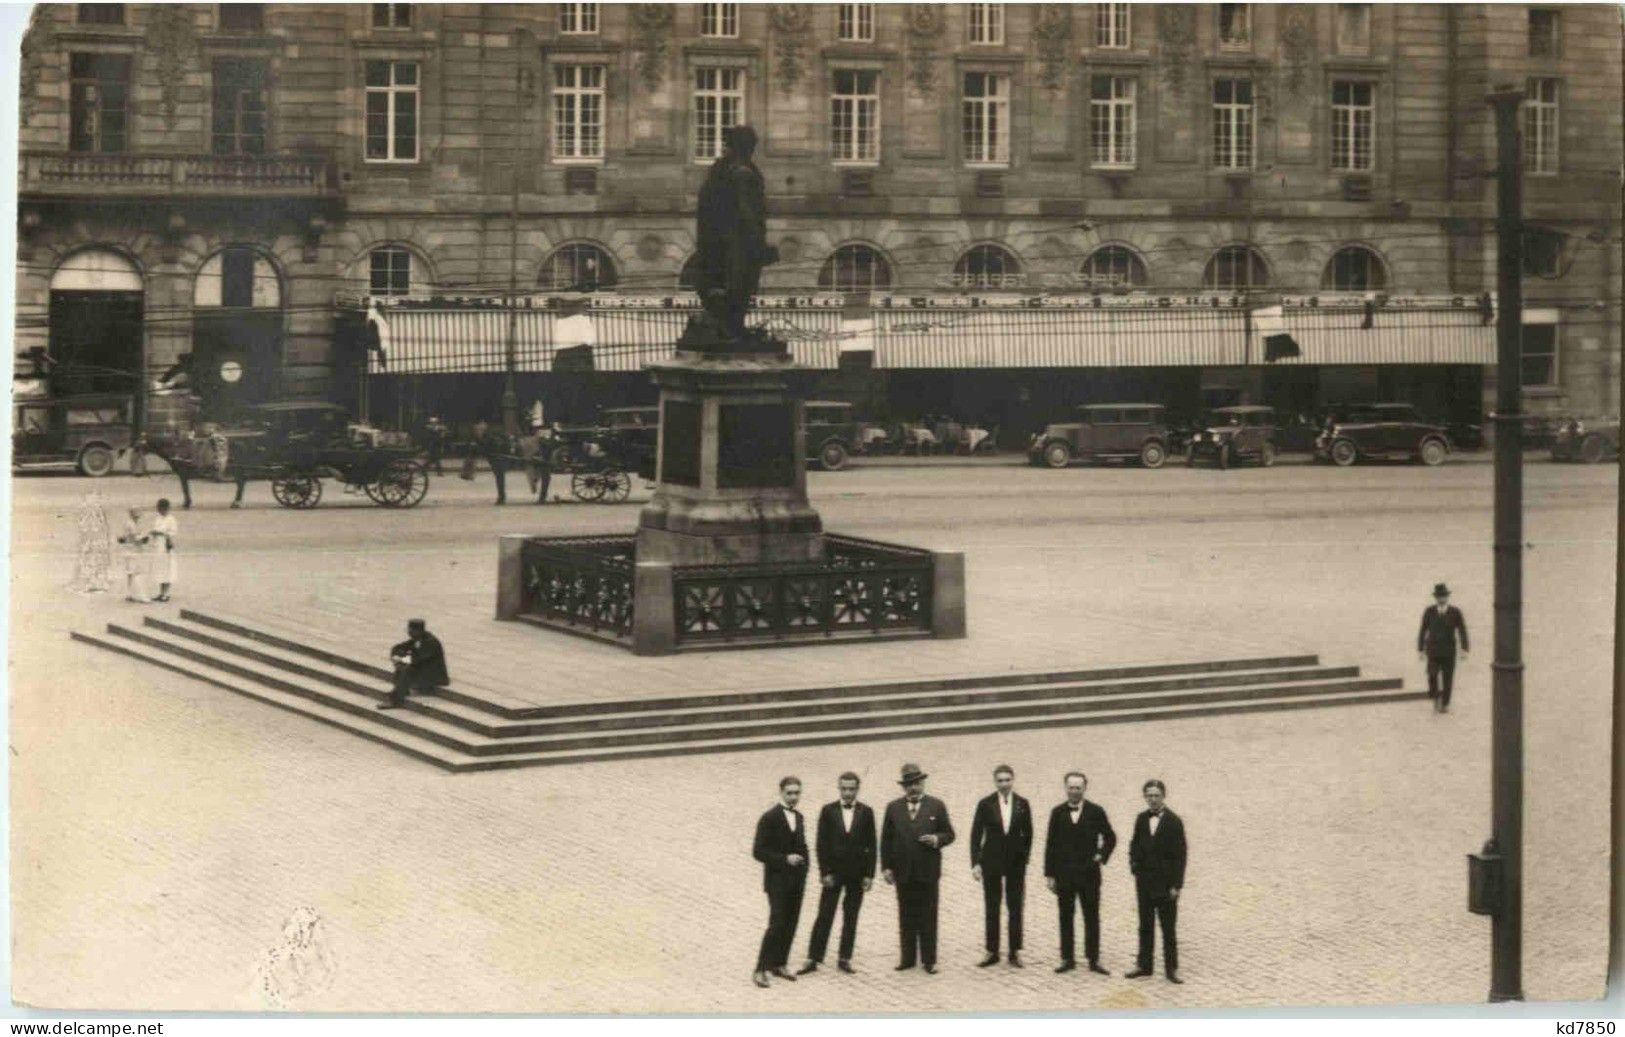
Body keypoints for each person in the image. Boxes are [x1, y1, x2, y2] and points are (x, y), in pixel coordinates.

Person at [797, 771, 876, 976]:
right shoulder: (828, 811)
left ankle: (845, 957)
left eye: (852, 789)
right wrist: (825, 873)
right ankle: (814, 957)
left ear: (857, 789)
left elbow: (872, 844)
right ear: (839, 788)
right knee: (824, 915)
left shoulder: (866, 812)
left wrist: (869, 874)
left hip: (857, 874)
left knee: (851, 916)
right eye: (844, 789)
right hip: (834, 873)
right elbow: (821, 844)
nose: (848, 793)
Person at [880, 763, 955, 973]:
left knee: (928, 915)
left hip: (928, 870)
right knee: (906, 914)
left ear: (923, 783)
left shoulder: (936, 806)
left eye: (917, 783)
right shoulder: (893, 808)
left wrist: (937, 838)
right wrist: (886, 867)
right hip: (903, 872)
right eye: (909, 785)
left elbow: (949, 834)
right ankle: (908, 958)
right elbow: (885, 840)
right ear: (903, 787)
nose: (913, 788)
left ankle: (929, 960)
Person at [1044, 771, 1116, 975]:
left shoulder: (1096, 811)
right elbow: (1051, 844)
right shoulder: (1057, 812)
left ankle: (1093, 959)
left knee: (1091, 916)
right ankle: (1067, 958)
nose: (1074, 791)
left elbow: (1110, 837)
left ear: (1085, 788)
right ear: (1065, 788)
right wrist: (1050, 874)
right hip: (1064, 875)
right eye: (1070, 787)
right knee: (1065, 916)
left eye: (1078, 787)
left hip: (1089, 875)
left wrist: (1101, 855)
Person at [969, 764, 1033, 968]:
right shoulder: (985, 804)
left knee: (1015, 906)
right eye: (1000, 780)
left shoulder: (1023, 803)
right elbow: (976, 834)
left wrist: (1024, 856)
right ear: (995, 782)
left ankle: (1014, 951)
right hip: (992, 861)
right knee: (992, 905)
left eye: (1007, 780)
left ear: (1013, 780)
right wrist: (976, 862)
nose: (1004, 784)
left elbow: (1029, 833)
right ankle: (992, 951)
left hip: (1015, 863)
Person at [1126, 780, 1187, 984]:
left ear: (1163, 796)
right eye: (1149, 795)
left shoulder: (1174, 821)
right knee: (1145, 925)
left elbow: (1180, 856)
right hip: (1144, 882)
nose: (1152, 799)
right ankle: (1144, 965)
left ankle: (1171, 969)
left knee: (1168, 927)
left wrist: (1176, 885)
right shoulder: (1141, 819)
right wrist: (1134, 866)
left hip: (1165, 884)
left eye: (1156, 795)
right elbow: (1134, 844)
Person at [752, 776, 810, 988]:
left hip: (797, 881)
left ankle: (779, 963)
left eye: (797, 792)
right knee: (777, 924)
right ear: (781, 792)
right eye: (790, 793)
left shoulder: (800, 817)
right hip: (777, 881)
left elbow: (803, 846)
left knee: (791, 922)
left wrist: (805, 871)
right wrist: (785, 859)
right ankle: (760, 968)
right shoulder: (769, 818)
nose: (794, 797)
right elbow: (758, 851)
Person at [1417, 582, 1469, 713]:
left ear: (1447, 597)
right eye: (1439, 596)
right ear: (1435, 598)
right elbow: (1423, 630)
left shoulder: (1455, 612)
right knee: (1431, 675)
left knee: (1448, 678)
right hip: (1433, 651)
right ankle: (1435, 697)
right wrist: (1421, 649)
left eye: (1444, 596)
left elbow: (1462, 630)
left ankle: (1445, 704)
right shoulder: (1429, 611)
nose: (1441, 599)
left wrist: (1464, 648)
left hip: (1448, 651)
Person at [377, 619, 449, 710]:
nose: (409, 633)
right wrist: (396, 656)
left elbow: (419, 660)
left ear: (418, 631)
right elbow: (399, 647)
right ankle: (400, 690)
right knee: (402, 666)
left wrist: (403, 660)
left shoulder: (431, 642)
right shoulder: (417, 639)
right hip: (424, 672)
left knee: (408, 669)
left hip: (434, 676)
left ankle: (396, 700)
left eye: (411, 631)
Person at [470, 419, 513, 505]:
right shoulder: (487, 434)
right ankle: (501, 496)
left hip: (499, 458)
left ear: (484, 425)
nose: (477, 429)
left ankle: (501, 497)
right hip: (497, 458)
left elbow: (486, 446)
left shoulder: (489, 435)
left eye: (479, 426)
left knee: (500, 478)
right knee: (499, 478)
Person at [117, 507, 150, 603]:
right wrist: (144, 539)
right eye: (137, 512)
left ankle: (129, 594)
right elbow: (135, 538)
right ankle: (143, 596)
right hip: (132, 552)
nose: (139, 514)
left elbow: (125, 537)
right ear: (133, 514)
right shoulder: (131, 524)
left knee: (131, 573)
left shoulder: (133, 523)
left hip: (130, 551)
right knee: (137, 573)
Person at [148, 498, 179, 603]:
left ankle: (166, 593)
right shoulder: (159, 518)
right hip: (158, 546)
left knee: (167, 569)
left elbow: (172, 532)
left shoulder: (171, 519)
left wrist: (161, 533)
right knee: (160, 569)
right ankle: (161, 592)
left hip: (165, 545)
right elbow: (155, 529)